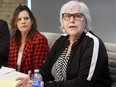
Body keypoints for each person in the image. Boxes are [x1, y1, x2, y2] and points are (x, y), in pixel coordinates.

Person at [15, 0, 112, 87]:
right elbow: (45, 69)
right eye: (67, 16)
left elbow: (83, 82)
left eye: (77, 16)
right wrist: (34, 80)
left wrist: (45, 85)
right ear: (63, 21)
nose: (72, 20)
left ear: (85, 20)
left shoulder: (92, 43)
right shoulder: (61, 40)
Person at [8, 5, 49, 74]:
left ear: (32, 21)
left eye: (26, 18)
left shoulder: (40, 40)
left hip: (29, 81)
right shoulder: (14, 39)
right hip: (14, 79)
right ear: (16, 23)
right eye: (19, 19)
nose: (23, 22)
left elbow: (38, 71)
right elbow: (10, 66)